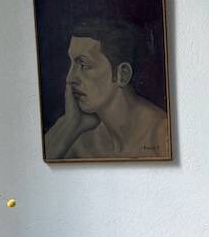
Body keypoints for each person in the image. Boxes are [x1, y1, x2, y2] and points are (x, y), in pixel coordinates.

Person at [43, 19, 170, 160]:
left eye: (84, 65)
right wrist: (69, 123)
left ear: (123, 74)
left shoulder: (163, 135)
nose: (69, 78)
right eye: (71, 64)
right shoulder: (80, 137)